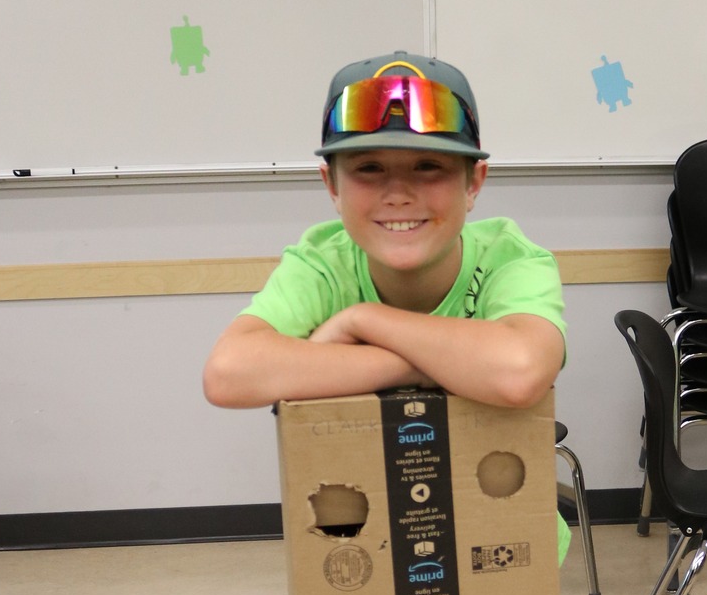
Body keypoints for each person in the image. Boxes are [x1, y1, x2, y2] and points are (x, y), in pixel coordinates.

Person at [204, 54, 569, 559]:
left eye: (429, 166)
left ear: (474, 182)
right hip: (366, 549)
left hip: (503, 549)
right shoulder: (323, 263)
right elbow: (229, 374)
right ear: (331, 185)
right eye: (369, 168)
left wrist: (364, 320)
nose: (398, 194)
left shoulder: (510, 258)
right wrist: (430, 366)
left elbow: (519, 372)